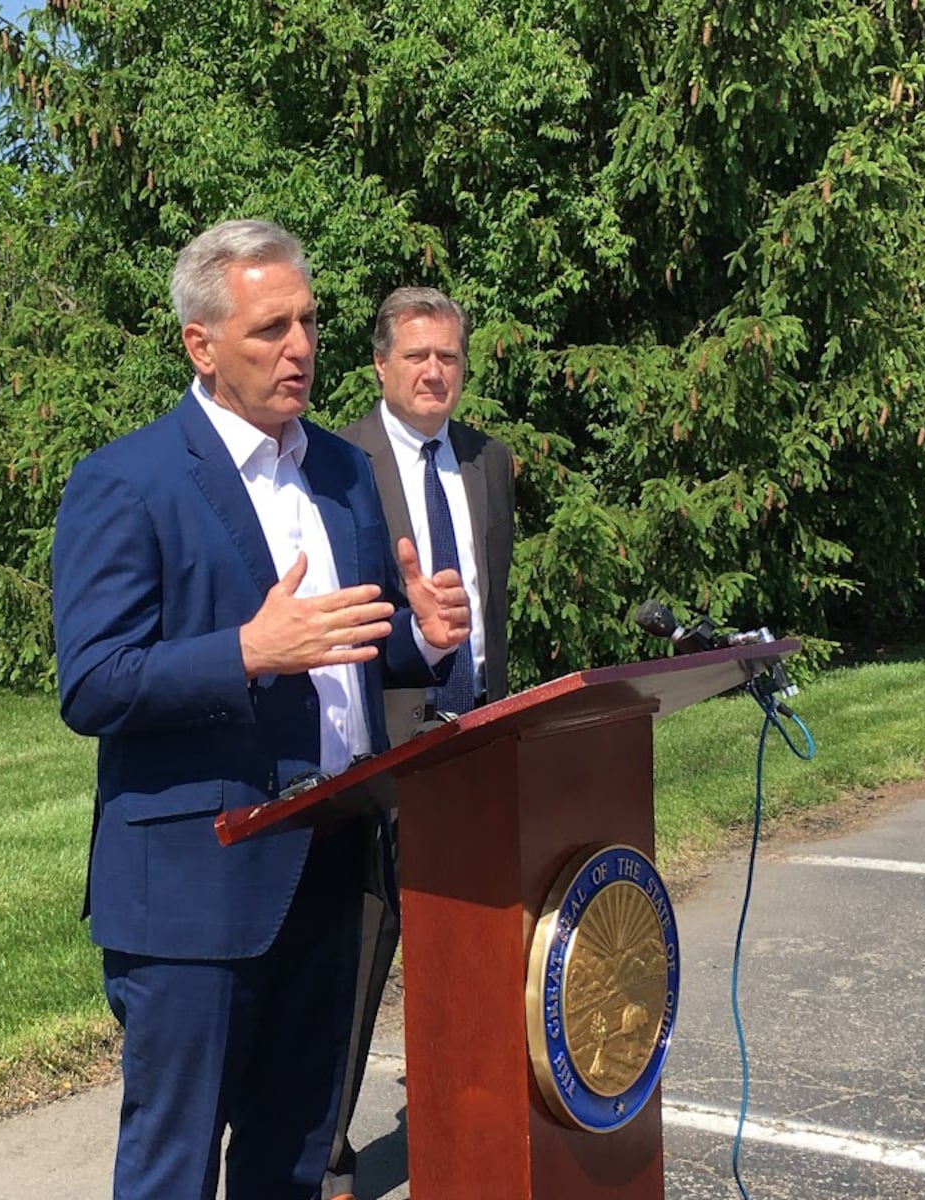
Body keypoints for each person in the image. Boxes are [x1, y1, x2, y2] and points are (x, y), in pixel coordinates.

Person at [52, 220, 471, 1200]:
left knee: (291, 1159)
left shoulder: (338, 472)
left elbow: (350, 651)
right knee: (174, 1170)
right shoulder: (128, 481)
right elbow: (94, 681)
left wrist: (423, 636)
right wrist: (246, 651)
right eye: (269, 328)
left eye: (309, 323)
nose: (300, 348)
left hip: (330, 872)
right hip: (198, 885)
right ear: (201, 344)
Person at [326, 286, 517, 1200]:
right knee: (360, 961)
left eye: (447, 356)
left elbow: (495, 609)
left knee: (478, 951)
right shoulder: (340, 465)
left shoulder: (489, 463)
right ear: (381, 366)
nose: (434, 371)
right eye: (416, 357)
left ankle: (473, 1135)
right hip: (381, 754)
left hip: (476, 742)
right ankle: (321, 1158)